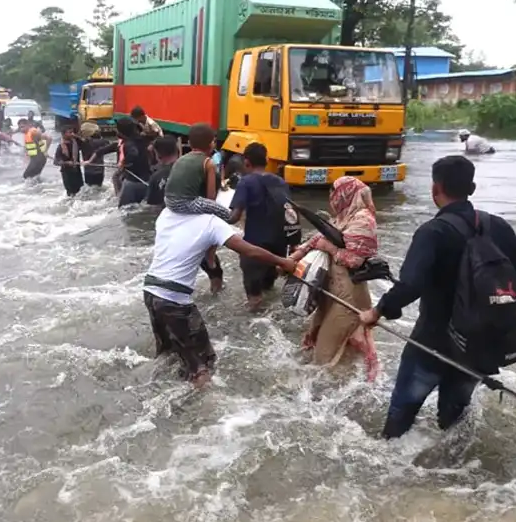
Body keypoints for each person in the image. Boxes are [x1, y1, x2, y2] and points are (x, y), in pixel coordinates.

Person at [359, 155, 516, 439]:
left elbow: (410, 286)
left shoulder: (433, 232)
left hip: (431, 344)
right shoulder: (499, 227)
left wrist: (377, 311)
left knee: (400, 419)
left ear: (435, 189)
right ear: (473, 187)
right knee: (453, 426)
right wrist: (493, 317)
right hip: (478, 349)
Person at [143, 203, 299, 387]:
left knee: (167, 355)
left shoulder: (167, 213)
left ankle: (154, 389)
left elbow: (203, 251)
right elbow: (249, 250)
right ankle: (207, 411)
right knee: (203, 365)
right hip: (175, 301)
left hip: (151, 292)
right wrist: (283, 262)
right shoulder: (212, 223)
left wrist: (210, 254)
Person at [289, 176, 381, 376]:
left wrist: (330, 249)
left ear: (346, 194)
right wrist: (295, 256)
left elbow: (355, 260)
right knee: (313, 341)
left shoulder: (363, 220)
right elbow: (319, 237)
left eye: (334, 192)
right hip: (331, 290)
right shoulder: (342, 216)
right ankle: (350, 379)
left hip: (349, 297)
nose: (331, 197)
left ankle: (327, 396)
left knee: (323, 357)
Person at [228, 143, 295, 311]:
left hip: (255, 248)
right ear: (266, 160)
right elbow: (291, 213)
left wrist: (212, 214)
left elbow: (234, 216)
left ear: (246, 162)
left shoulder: (246, 182)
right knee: (269, 292)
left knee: (255, 300)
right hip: (279, 248)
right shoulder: (280, 182)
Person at [163, 123, 231, 221]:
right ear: (212, 144)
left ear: (189, 143)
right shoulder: (208, 163)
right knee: (226, 213)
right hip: (185, 203)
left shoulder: (181, 159)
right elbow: (210, 198)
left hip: (168, 201)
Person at [145, 136, 181, 206]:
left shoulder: (155, 178)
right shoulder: (191, 170)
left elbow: (151, 205)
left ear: (158, 154)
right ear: (177, 150)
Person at [55, 123, 85, 196]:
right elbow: (56, 161)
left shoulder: (75, 142)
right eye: (70, 132)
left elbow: (85, 142)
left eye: (73, 132)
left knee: (80, 191)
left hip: (77, 171)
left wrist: (77, 136)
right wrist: (66, 162)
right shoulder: (60, 147)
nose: (72, 134)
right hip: (67, 173)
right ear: (63, 134)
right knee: (71, 193)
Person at [78, 122, 108, 188]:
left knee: (89, 187)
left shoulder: (83, 143)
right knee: (99, 187)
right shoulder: (101, 142)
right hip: (99, 170)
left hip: (88, 170)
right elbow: (107, 143)